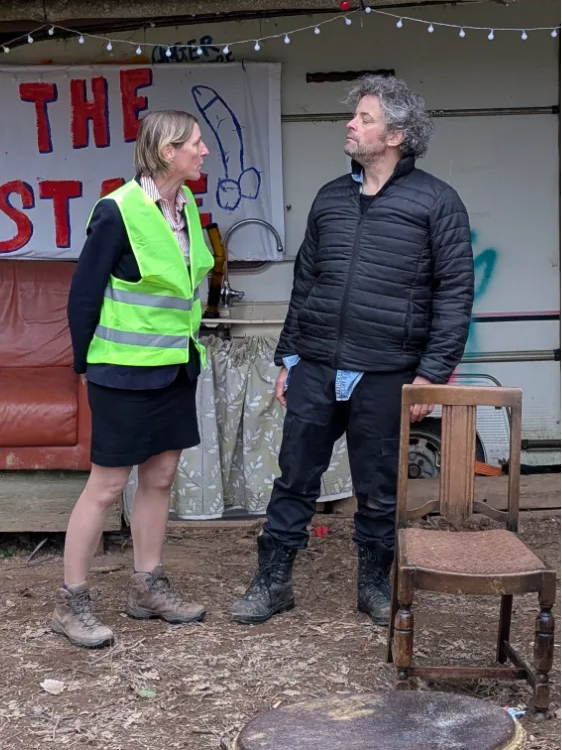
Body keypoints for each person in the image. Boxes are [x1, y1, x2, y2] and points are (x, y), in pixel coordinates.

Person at [231, 74, 474, 627]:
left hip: (389, 371)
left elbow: (455, 295)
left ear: (397, 134)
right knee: (294, 478)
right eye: (356, 116)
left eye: (365, 118)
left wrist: (431, 375)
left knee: (380, 489)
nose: (351, 124)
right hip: (316, 363)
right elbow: (307, 281)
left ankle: (374, 587)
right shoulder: (330, 197)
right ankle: (272, 583)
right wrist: (289, 358)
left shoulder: (438, 202)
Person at [52, 110, 214, 648]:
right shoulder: (117, 210)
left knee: (162, 476)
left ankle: (146, 586)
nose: (203, 151)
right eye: (196, 143)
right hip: (121, 372)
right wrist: (86, 366)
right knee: (106, 486)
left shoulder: (186, 204)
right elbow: (83, 295)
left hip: (173, 367)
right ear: (168, 151)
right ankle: (71, 604)